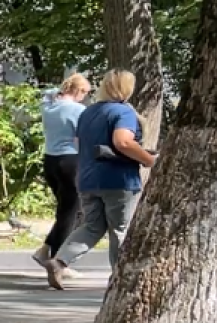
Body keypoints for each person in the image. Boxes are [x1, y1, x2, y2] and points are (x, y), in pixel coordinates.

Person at [45, 69, 155, 290]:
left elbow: (78, 142)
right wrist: (149, 159)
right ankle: (120, 278)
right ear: (127, 88)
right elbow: (123, 142)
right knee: (120, 229)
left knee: (92, 226)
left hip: (87, 178)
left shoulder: (88, 112)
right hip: (118, 179)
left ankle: (59, 261)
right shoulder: (123, 112)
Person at [34, 72, 92, 270]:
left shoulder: (48, 107)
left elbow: (48, 93)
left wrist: (58, 91)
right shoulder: (78, 110)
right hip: (71, 161)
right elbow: (80, 138)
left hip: (50, 161)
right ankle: (59, 263)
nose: (85, 96)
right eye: (85, 92)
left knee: (65, 210)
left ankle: (45, 250)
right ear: (78, 90)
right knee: (73, 212)